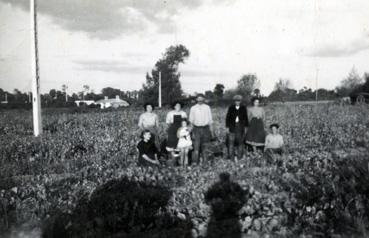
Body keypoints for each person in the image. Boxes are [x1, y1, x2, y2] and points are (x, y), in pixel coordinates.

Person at [189, 94, 214, 164]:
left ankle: (205, 163)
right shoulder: (193, 108)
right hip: (196, 129)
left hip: (206, 129)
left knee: (205, 147)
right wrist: (189, 132)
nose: (200, 100)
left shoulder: (207, 107)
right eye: (198, 99)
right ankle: (195, 163)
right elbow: (191, 121)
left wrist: (212, 132)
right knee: (196, 147)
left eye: (201, 99)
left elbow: (210, 120)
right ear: (196, 100)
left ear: (203, 99)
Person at [225, 95, 248, 161]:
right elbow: (227, 118)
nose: (237, 102)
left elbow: (246, 118)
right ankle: (231, 158)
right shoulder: (231, 108)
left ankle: (239, 157)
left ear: (240, 101)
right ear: (234, 101)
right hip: (232, 127)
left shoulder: (243, 108)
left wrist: (246, 127)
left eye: (239, 101)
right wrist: (227, 127)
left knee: (240, 143)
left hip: (240, 127)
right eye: (236, 101)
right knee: (231, 143)